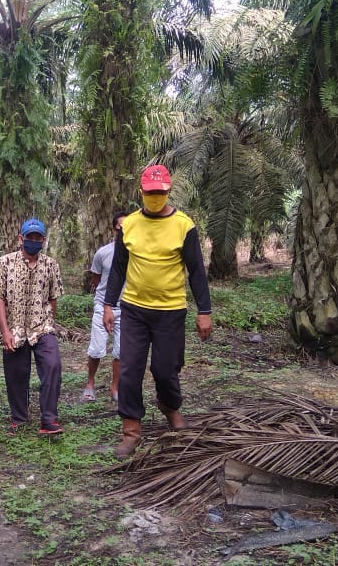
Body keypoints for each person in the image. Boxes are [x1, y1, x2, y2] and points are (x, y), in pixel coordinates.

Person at [103, 164, 213, 459]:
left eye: (160, 192)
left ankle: (170, 407)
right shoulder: (129, 225)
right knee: (129, 370)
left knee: (166, 370)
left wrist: (205, 311)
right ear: (142, 192)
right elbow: (118, 269)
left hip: (171, 311)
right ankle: (131, 430)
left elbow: (196, 272)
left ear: (168, 192)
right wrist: (108, 305)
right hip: (135, 309)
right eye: (150, 193)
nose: (155, 196)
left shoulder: (184, 226)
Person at [0, 218, 65, 436]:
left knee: (53, 366)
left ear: (43, 240)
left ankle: (49, 420)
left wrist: (50, 322)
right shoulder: (4, 263)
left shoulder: (50, 265)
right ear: (20, 238)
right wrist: (5, 331)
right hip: (14, 328)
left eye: (38, 238)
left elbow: (53, 297)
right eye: (29, 237)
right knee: (16, 375)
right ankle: (19, 419)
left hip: (42, 326)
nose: (33, 241)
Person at [83, 211, 128, 403]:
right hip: (103, 305)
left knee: (120, 351)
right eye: (121, 227)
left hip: (127, 307)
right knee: (96, 349)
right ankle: (90, 384)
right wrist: (106, 302)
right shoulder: (103, 253)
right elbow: (96, 279)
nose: (125, 230)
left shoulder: (138, 253)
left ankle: (115, 387)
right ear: (114, 228)